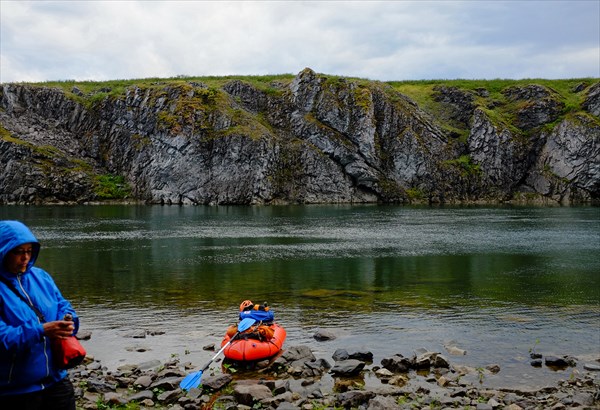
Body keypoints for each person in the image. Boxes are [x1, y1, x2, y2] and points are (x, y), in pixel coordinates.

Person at [0, 220, 79, 410]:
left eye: (29, 251)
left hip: (56, 380)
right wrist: (41, 331)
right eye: (18, 251)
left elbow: (63, 305)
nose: (25, 257)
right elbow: (3, 338)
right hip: (16, 391)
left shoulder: (40, 277)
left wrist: (69, 320)